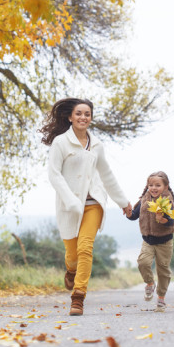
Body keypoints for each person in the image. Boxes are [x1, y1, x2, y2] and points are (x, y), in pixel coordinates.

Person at [40, 98, 132, 316]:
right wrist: (71, 201)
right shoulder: (61, 143)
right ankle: (71, 271)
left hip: (94, 204)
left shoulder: (97, 145)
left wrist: (124, 202)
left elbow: (107, 175)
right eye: (79, 113)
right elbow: (54, 175)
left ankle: (78, 297)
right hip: (69, 207)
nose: (83, 117)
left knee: (85, 248)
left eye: (87, 114)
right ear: (70, 117)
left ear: (91, 117)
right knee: (72, 255)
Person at [126, 171, 174, 312]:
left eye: (158, 185)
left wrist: (163, 219)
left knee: (163, 270)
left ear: (165, 186)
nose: (153, 188)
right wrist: (129, 213)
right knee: (143, 262)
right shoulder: (144, 199)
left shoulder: (167, 201)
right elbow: (134, 216)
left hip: (164, 241)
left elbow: (171, 222)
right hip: (148, 240)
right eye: (151, 185)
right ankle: (149, 283)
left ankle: (161, 299)